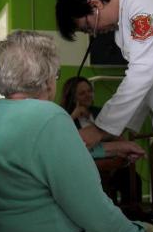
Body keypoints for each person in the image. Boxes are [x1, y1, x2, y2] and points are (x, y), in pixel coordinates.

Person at [0, 30, 153, 232]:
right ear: (47, 78)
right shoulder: (48, 117)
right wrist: (140, 231)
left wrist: (109, 149)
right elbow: (94, 213)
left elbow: (38, 159)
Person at [55, 0, 153, 232]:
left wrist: (99, 130)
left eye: (88, 27)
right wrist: (113, 133)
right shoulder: (126, 27)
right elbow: (146, 83)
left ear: (94, 4)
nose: (95, 34)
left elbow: (142, 74)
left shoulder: (144, 2)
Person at [60, 76, 142, 204]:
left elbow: (117, 135)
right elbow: (63, 141)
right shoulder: (64, 117)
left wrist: (124, 147)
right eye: (82, 93)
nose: (88, 95)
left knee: (131, 177)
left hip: (112, 161)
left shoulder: (101, 112)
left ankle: (131, 215)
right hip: (87, 164)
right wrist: (73, 115)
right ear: (72, 97)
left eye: (89, 91)